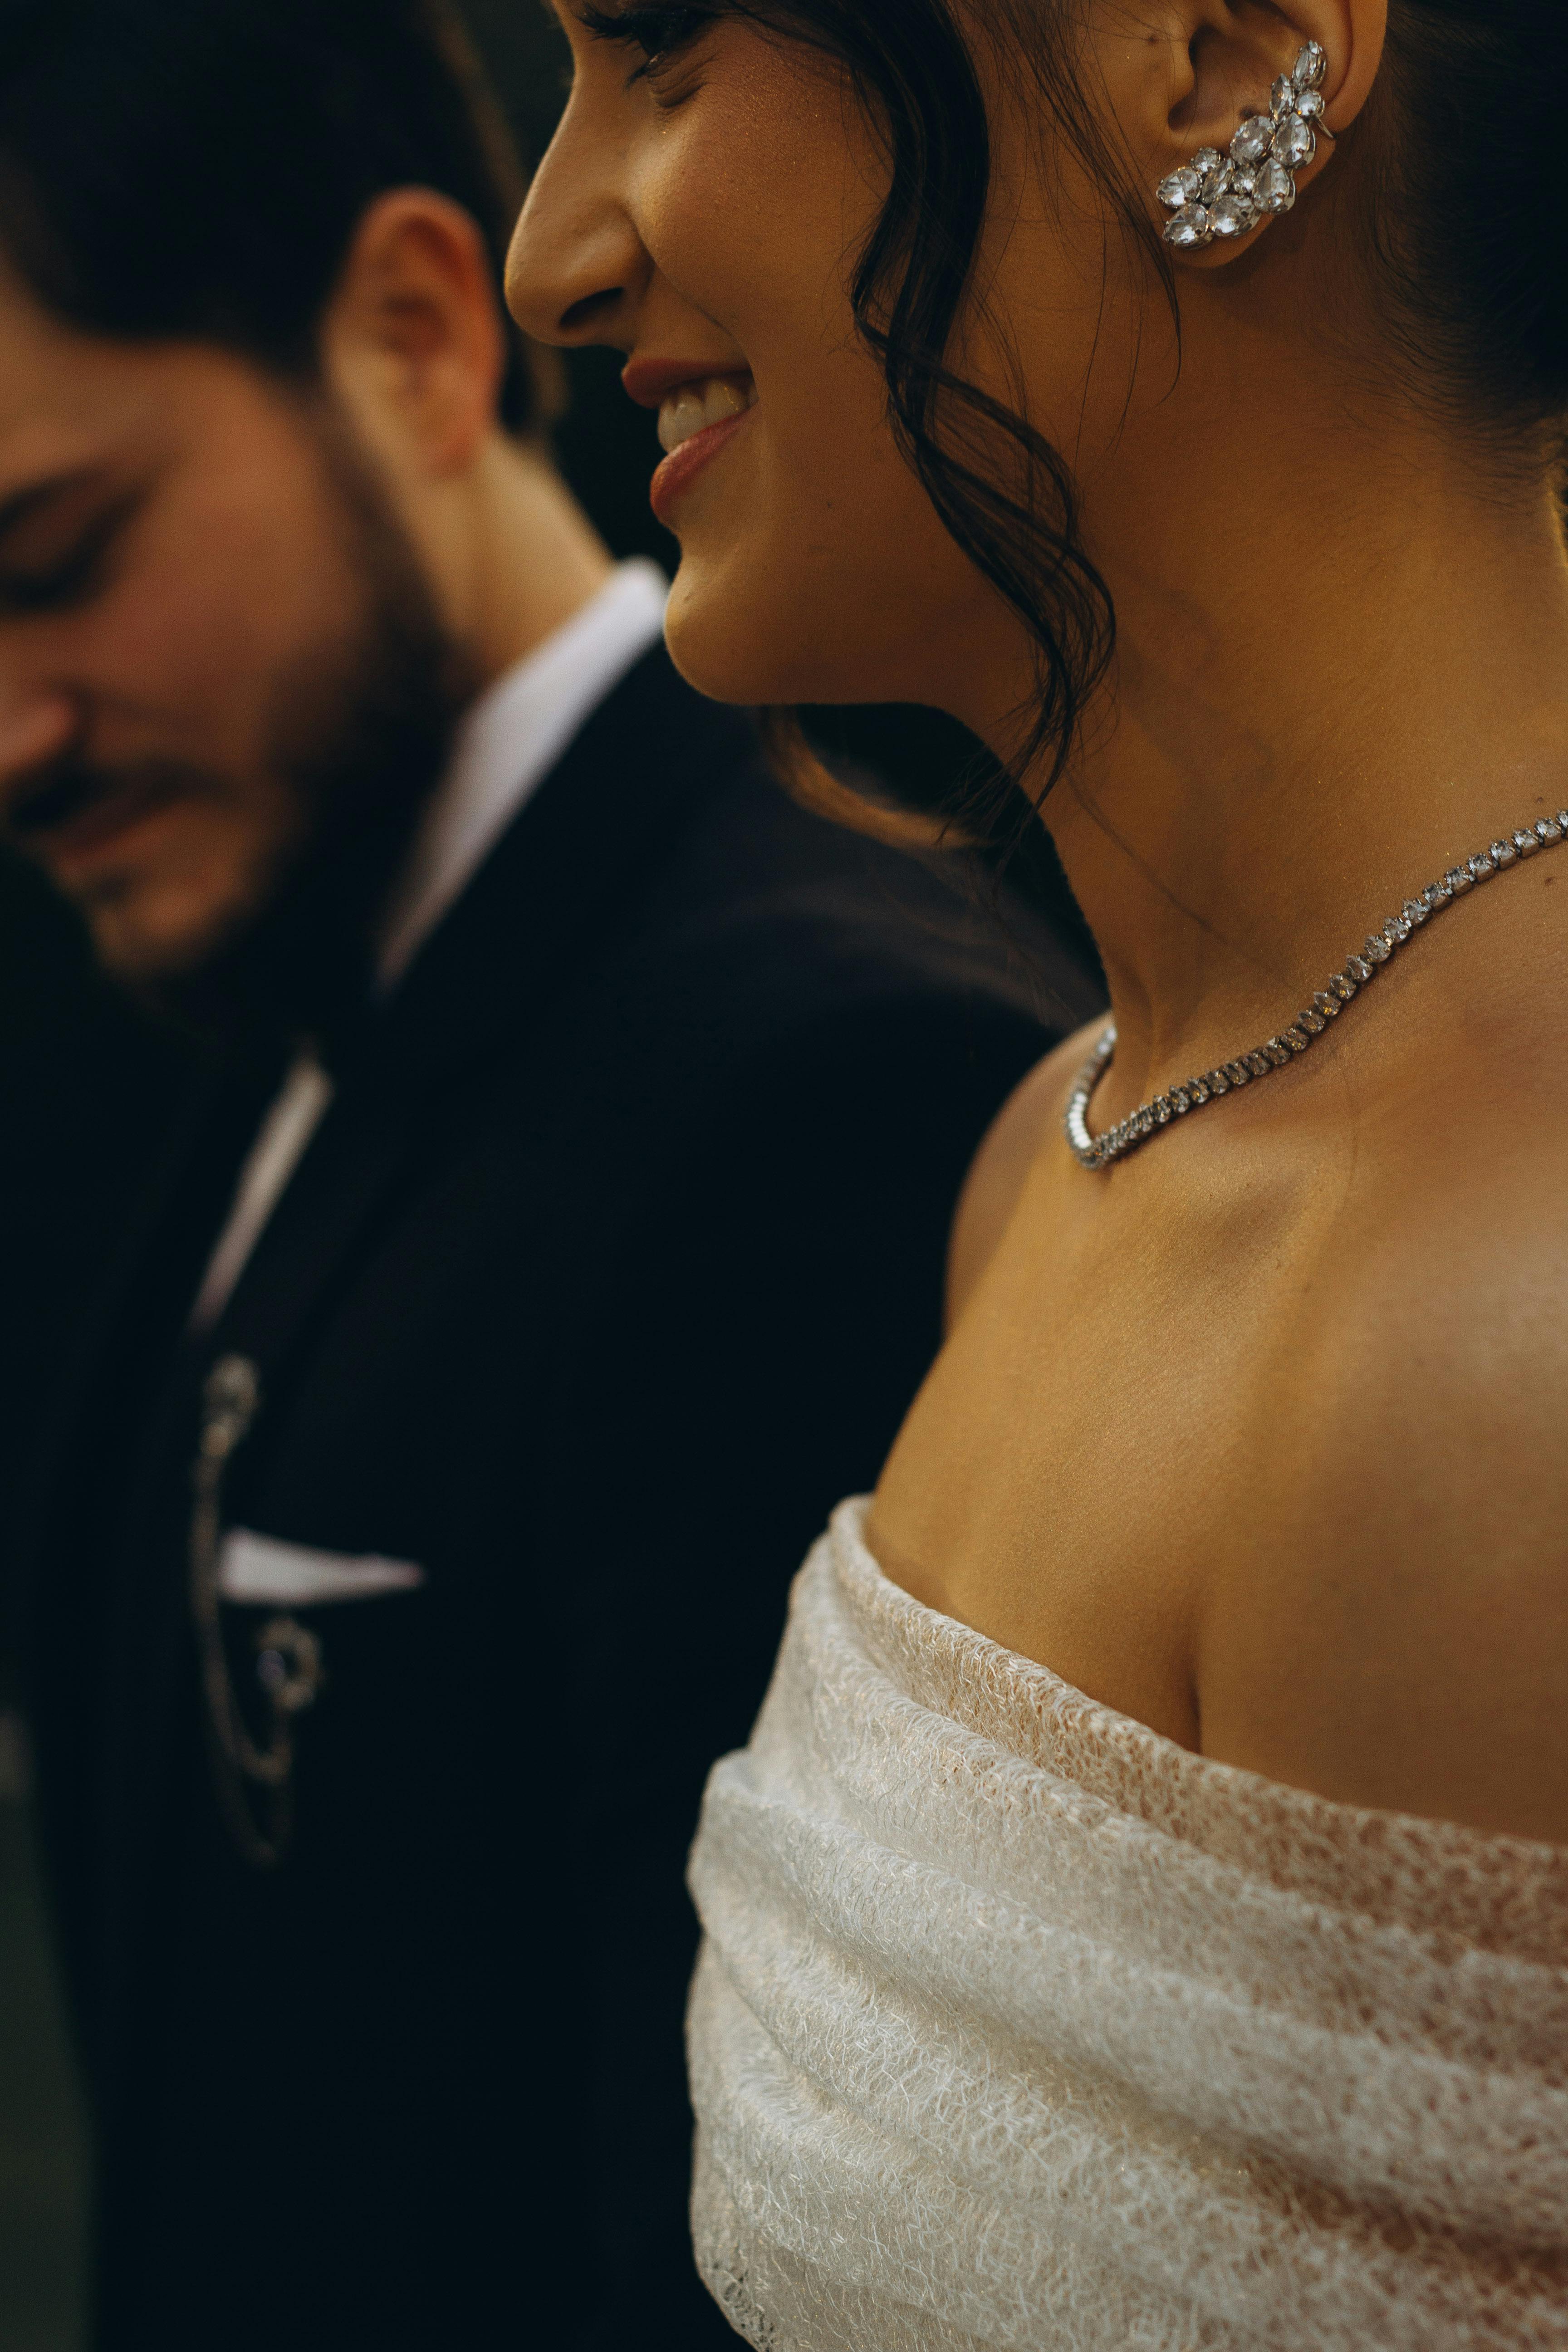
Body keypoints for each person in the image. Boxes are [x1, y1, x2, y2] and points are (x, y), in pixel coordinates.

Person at [0, 2, 1099, 2345]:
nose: (12, 732)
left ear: (412, 335)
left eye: (53, 553)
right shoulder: (286, 954)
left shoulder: (833, 1090)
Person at [510, 0, 1568, 2340]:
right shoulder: (1049, 1160)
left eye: (667, 52)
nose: (551, 256)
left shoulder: (1518, 1365)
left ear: (1211, 49)